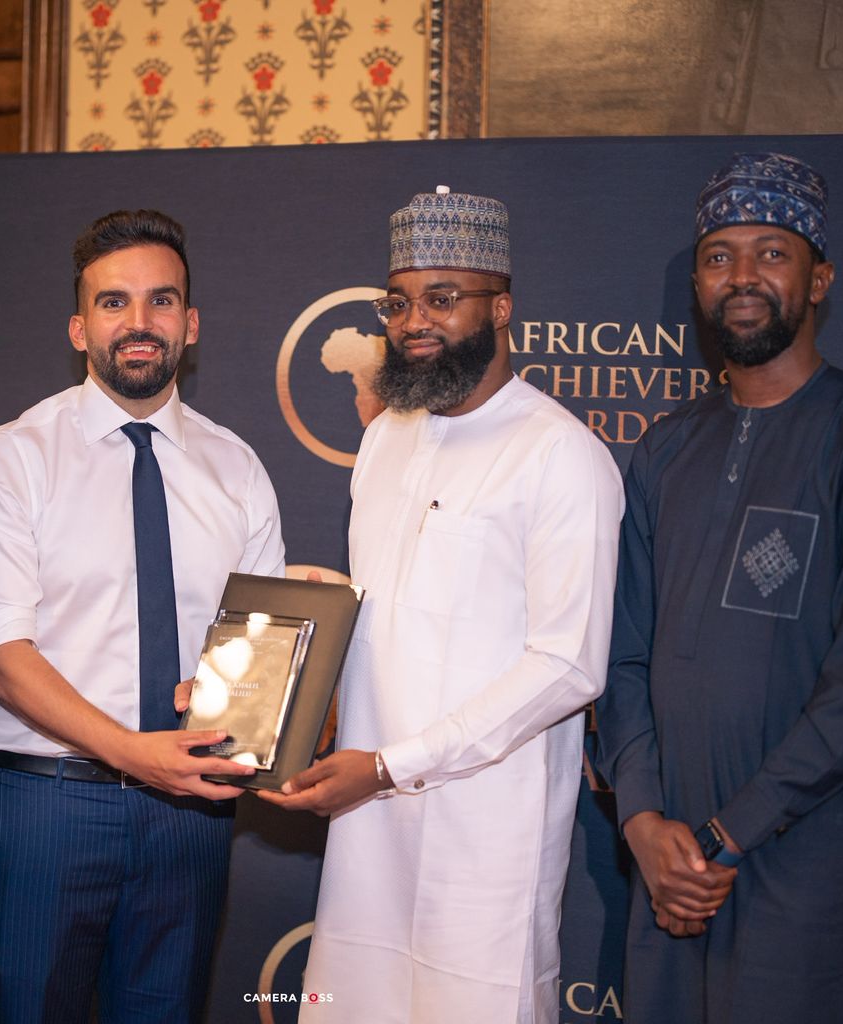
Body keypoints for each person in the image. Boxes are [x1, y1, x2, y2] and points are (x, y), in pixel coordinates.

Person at [260, 186, 624, 1022]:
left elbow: (568, 665)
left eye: (442, 298)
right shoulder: (386, 436)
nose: (414, 321)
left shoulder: (560, 454)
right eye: (398, 302)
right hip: (367, 823)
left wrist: (393, 766)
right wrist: (295, 708)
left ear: (501, 307)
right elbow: (376, 619)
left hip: (484, 838)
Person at [594, 152, 843, 1023]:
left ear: (819, 280)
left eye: (771, 253)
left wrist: (722, 838)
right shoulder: (664, 448)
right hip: (668, 865)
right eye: (719, 256)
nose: (741, 276)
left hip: (800, 864)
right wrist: (643, 822)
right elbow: (622, 655)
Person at [0, 208, 286, 1024]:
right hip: (47, 805)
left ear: (190, 324)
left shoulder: (238, 468)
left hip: (191, 812)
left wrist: (249, 702)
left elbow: (265, 647)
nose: (139, 322)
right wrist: (133, 753)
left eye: (161, 300)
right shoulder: (15, 455)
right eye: (114, 302)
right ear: (80, 328)